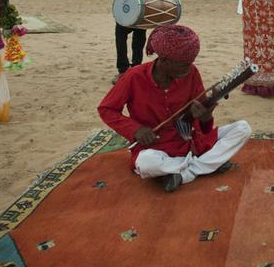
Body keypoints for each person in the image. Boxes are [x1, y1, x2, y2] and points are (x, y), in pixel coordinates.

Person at [98, 25, 252, 193]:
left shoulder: (191, 72)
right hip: (155, 147)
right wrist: (136, 130)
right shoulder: (134, 76)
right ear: (163, 60)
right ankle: (205, 165)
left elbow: (203, 125)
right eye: (183, 65)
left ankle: (184, 173)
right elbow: (107, 109)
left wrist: (205, 116)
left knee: (243, 128)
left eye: (191, 63)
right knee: (147, 163)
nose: (189, 69)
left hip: (188, 141)